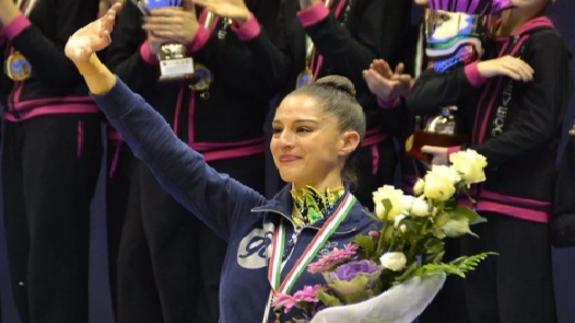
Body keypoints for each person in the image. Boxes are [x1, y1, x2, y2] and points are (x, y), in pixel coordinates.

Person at [65, 4, 376, 322]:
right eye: (278, 129)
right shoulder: (246, 215)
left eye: (303, 129)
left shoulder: (375, 238)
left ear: (347, 141)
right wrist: (88, 64)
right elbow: (157, 145)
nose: (284, 141)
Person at [104, 0, 296, 321]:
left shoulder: (257, 5)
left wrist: (202, 41)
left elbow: (273, 78)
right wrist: (149, 53)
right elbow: (113, 85)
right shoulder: (144, 3)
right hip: (164, 169)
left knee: (226, 285)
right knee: (168, 283)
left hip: (233, 167)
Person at [404, 0, 573, 322]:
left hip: (517, 205)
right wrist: (478, 69)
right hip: (466, 206)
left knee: (517, 312)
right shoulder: (477, 36)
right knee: (469, 311)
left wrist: (463, 158)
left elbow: (537, 128)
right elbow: (419, 98)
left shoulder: (545, 43)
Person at [0, 0, 102, 322]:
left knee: (53, 274)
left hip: (61, 126)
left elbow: (63, 71)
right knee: (25, 273)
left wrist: (10, 17)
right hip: (19, 125)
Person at [272, 0, 412, 208]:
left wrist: (317, 17)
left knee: (348, 238)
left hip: (354, 154)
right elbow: (280, 72)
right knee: (298, 236)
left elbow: (368, 70)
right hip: (297, 144)